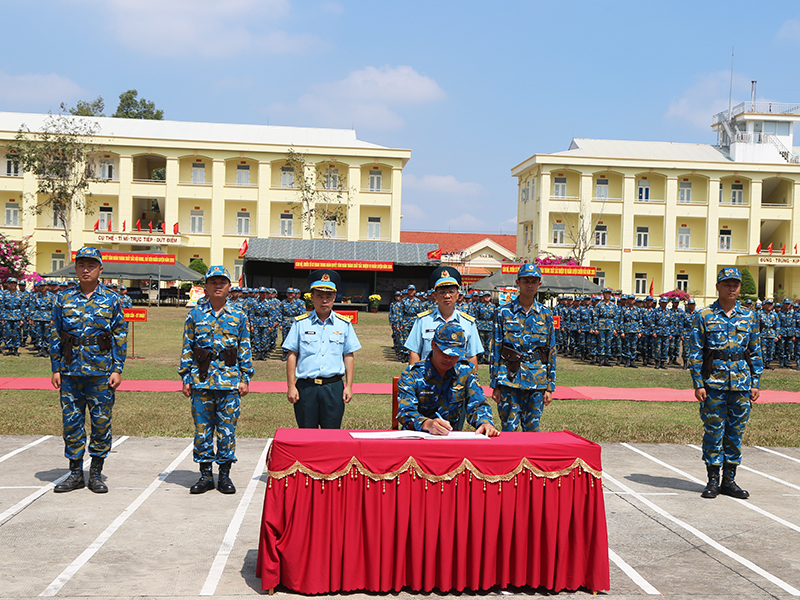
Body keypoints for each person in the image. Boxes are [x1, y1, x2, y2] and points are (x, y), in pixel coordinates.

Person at [50, 247, 128, 493]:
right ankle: (75, 473)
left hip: (101, 372)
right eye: (82, 265)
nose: (86, 269)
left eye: (91, 265)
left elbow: (120, 335)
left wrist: (117, 369)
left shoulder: (112, 299)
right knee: (72, 423)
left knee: (101, 422)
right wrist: (56, 367)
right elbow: (55, 334)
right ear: (75, 268)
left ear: (100, 270)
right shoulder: (63, 298)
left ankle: (95, 472)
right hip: (71, 371)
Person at [179, 265, 254, 495]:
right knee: (202, 430)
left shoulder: (238, 315)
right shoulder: (195, 314)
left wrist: (245, 378)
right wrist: (186, 377)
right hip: (202, 381)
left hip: (230, 381)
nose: (218, 286)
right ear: (206, 288)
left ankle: (224, 475)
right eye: (214, 282)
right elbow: (187, 347)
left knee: (227, 430)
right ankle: (204, 475)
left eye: (222, 282)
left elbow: (244, 347)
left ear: (229, 287)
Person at [689, 267, 763, 500]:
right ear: (718, 286)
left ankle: (729, 480)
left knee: (735, 432)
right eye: (727, 284)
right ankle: (712, 480)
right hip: (714, 384)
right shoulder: (704, 316)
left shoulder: (749, 317)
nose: (732, 288)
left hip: (741, 383)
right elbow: (695, 352)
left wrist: (756, 381)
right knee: (713, 431)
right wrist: (698, 383)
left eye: (736, 284)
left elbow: (756, 351)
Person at [283, 269, 361, 428]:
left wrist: (349, 386)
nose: (324, 300)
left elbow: (348, 355)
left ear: (334, 297)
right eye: (319, 296)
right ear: (312, 297)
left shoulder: (343, 324)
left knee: (331, 437)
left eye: (328, 296)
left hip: (333, 387)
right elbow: (292, 354)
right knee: (306, 435)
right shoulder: (300, 323)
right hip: (306, 388)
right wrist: (291, 386)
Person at [397, 322, 499, 436]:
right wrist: (427, 424)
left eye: (455, 354)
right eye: (444, 353)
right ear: (433, 345)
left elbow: (477, 403)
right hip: (417, 437)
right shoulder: (413, 374)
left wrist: (484, 422)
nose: (449, 359)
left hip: (451, 437)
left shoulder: (465, 371)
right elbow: (405, 412)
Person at [489, 263, 556, 432]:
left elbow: (551, 350)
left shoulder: (546, 314)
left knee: (532, 431)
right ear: (518, 282)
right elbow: (496, 348)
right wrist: (495, 384)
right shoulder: (503, 312)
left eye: (534, 281)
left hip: (536, 379)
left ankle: (530, 460)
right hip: (509, 379)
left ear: (539, 284)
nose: (530, 285)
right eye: (526, 281)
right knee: (508, 429)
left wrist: (550, 385)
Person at [404, 267, 482, 367]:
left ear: (458, 294)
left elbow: (471, 356)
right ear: (435, 295)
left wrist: (472, 380)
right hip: (428, 379)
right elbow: (415, 352)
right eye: (442, 292)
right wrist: (414, 379)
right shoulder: (423, 320)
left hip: (457, 380)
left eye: (451, 291)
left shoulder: (468, 323)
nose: (447, 296)